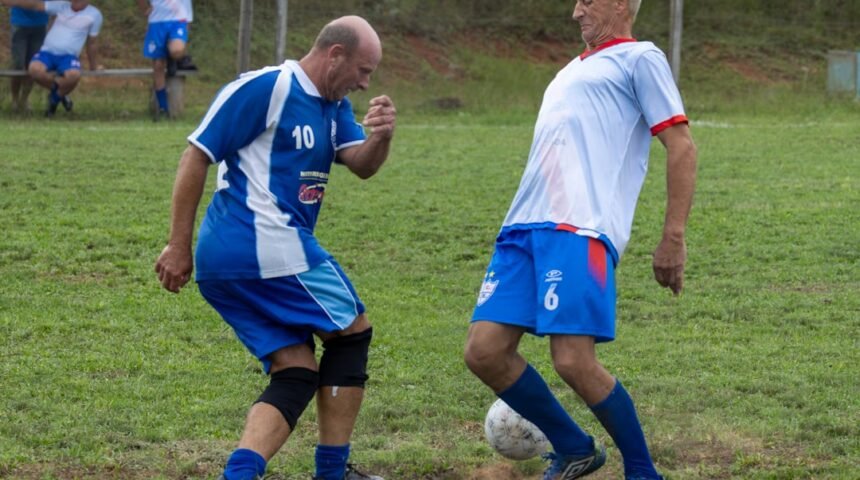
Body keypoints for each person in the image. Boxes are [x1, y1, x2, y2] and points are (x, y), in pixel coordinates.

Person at [154, 15, 396, 480]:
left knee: (296, 369)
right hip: (263, 244)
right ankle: (333, 471)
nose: (366, 83)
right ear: (335, 55)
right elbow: (196, 154)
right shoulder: (266, 88)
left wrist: (381, 139)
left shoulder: (334, 102)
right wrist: (176, 245)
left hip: (233, 262)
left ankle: (240, 474)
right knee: (352, 333)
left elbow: (361, 165)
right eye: (364, 70)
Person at [463, 1, 697, 479]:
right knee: (484, 351)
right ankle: (574, 449)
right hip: (523, 229)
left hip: (579, 229)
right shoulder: (572, 69)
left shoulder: (640, 58)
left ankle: (641, 471)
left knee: (572, 358)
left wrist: (673, 235)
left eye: (587, 0)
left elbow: (682, 146)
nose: (575, 12)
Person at [0, 0, 101, 117]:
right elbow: (35, 5)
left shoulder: (94, 14)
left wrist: (94, 65)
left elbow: (92, 42)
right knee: (26, 67)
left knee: (72, 75)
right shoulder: (62, 6)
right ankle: (58, 95)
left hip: (63, 51)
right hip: (39, 44)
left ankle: (48, 99)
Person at [137, 0, 196, 118]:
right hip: (157, 21)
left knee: (176, 50)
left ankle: (174, 58)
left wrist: (188, 20)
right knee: (158, 65)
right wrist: (144, 8)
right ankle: (163, 108)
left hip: (179, 18)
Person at [7, 0, 47, 113]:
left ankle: (24, 99)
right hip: (19, 23)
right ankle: (14, 99)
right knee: (18, 64)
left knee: (33, 64)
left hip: (40, 25)